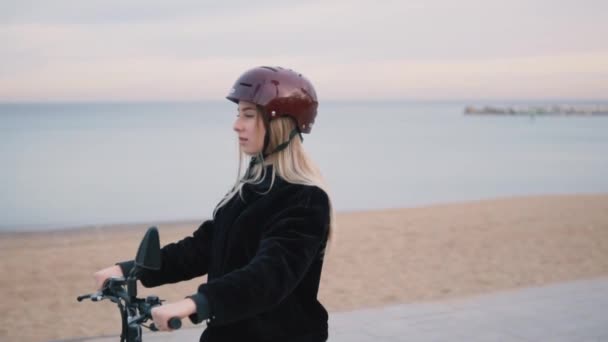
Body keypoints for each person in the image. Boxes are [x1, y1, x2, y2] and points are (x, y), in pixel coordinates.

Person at [93, 66, 334, 342]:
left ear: (278, 122)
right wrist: (131, 270)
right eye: (238, 114)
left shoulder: (306, 200)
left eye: (248, 115)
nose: (236, 125)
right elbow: (204, 246)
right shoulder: (252, 186)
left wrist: (197, 303)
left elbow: (268, 276)